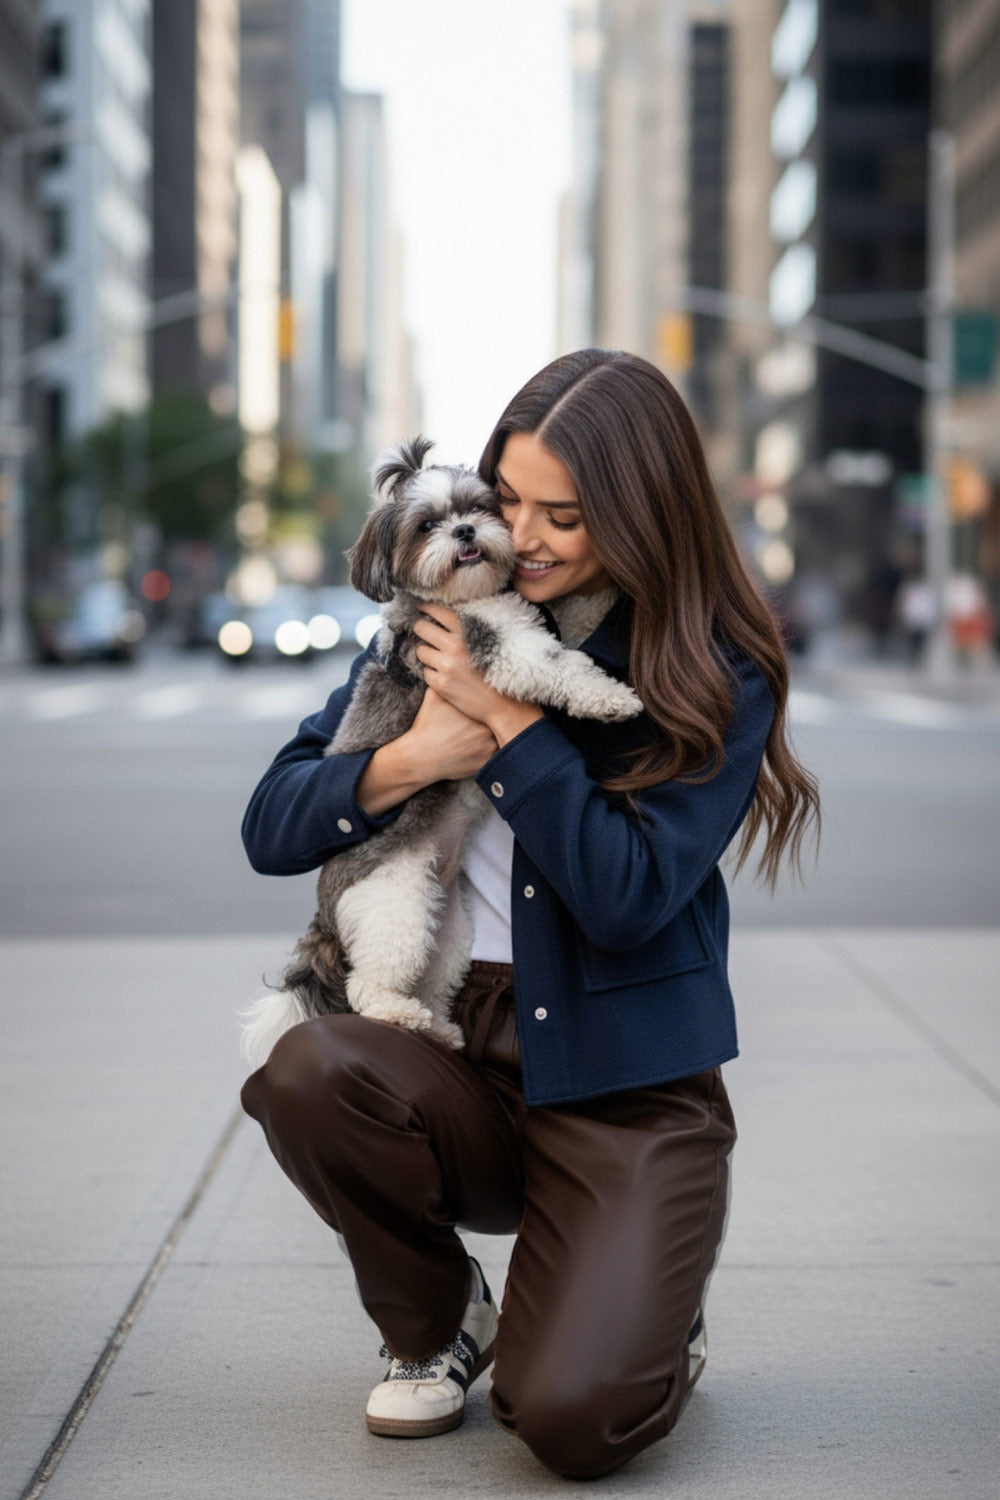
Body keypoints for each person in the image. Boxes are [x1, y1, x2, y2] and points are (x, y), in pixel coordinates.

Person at [239, 348, 819, 1480]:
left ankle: (648, 1316)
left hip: (625, 1086)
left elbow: (626, 898)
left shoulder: (709, 669)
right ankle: (440, 1320)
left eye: (567, 513)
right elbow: (271, 824)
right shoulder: (432, 627)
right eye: (511, 501)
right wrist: (412, 756)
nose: (527, 535)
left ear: (642, 511)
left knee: (568, 1419)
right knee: (304, 1067)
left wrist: (509, 730)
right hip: (461, 1050)